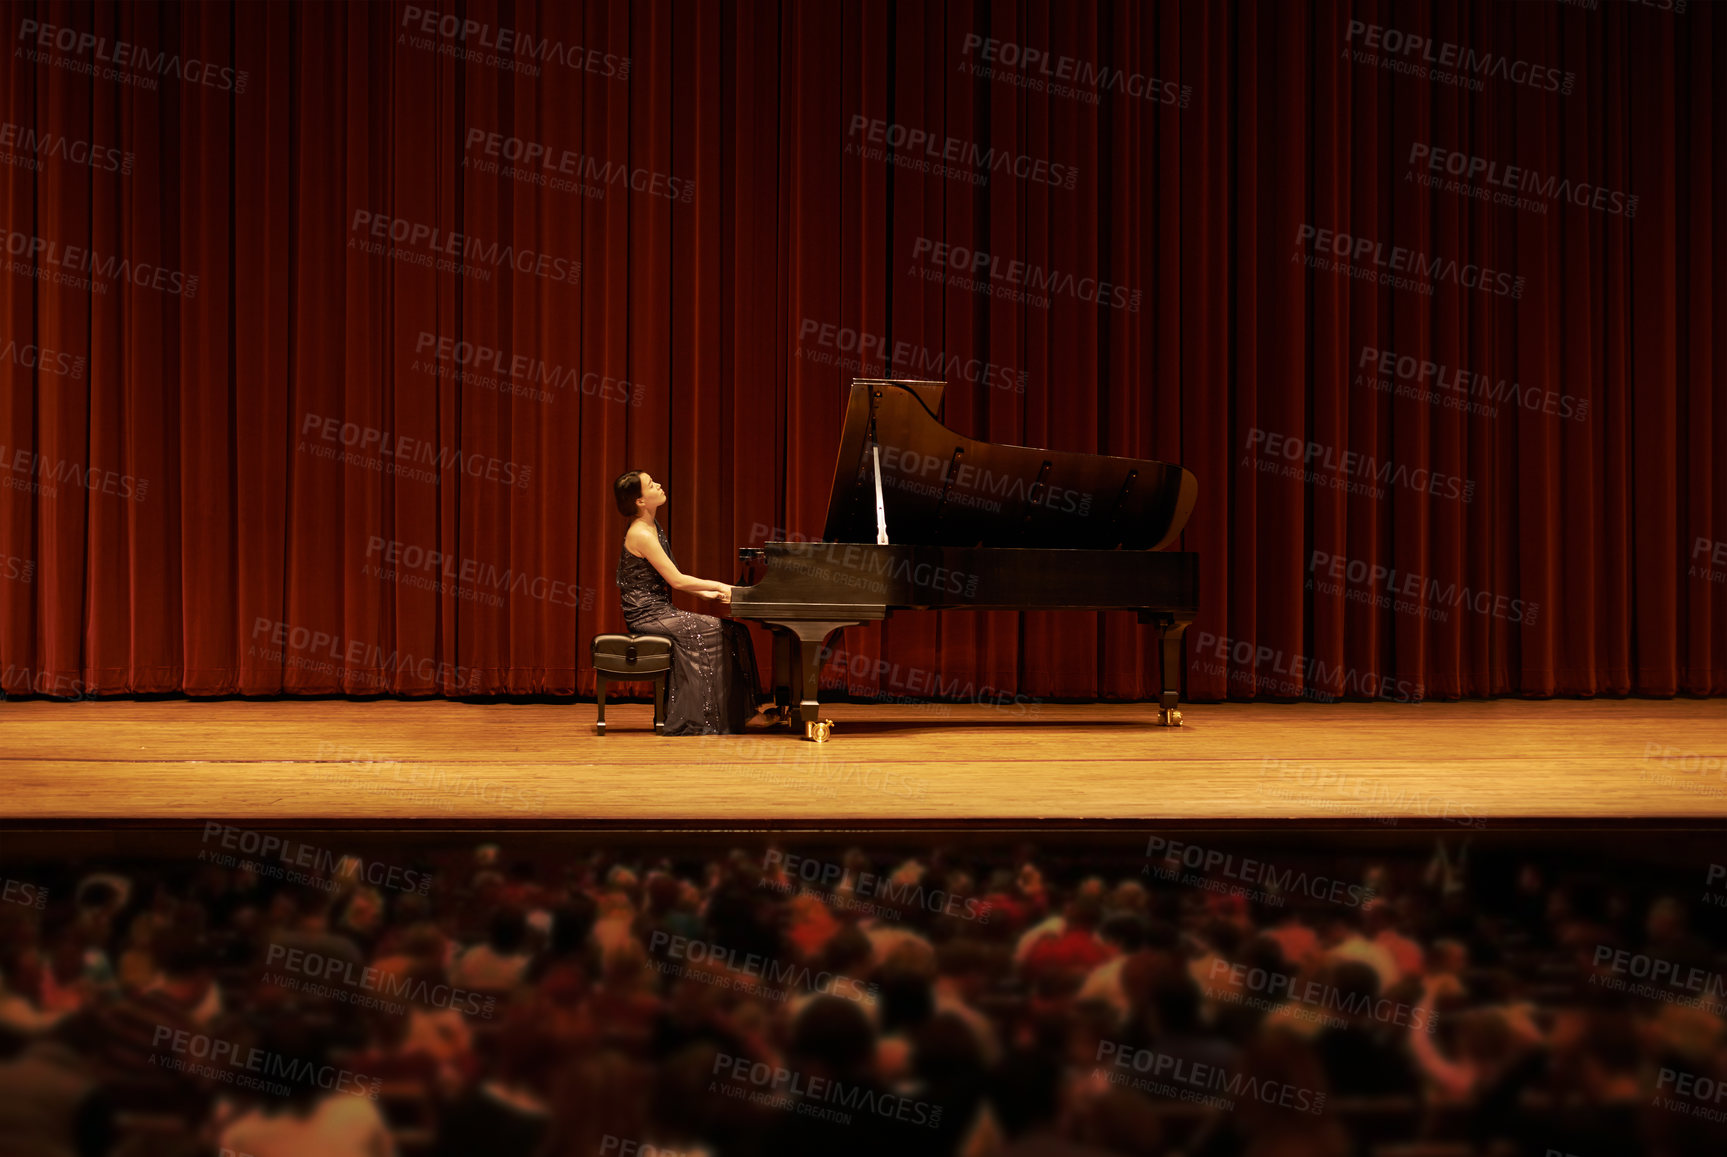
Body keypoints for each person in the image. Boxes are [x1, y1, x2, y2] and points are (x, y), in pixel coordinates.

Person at [613, 469, 762, 735]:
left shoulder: (651, 526)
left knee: (734, 630)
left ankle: (728, 714)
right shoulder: (642, 533)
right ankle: (706, 717)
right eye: (650, 484)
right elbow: (677, 581)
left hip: (659, 610)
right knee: (724, 632)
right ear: (639, 501)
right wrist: (718, 586)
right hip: (647, 615)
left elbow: (669, 580)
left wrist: (708, 594)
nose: (658, 485)